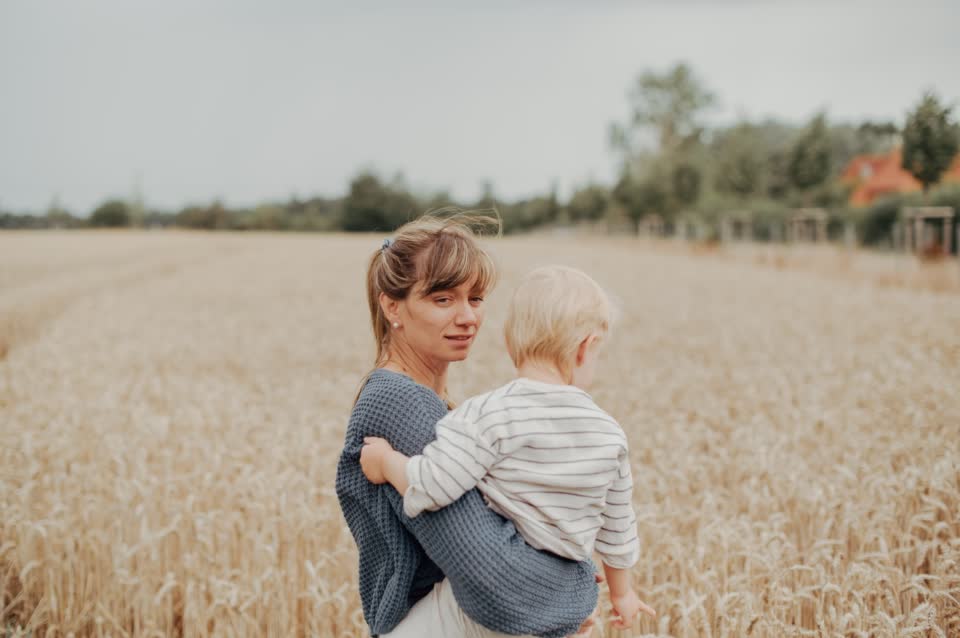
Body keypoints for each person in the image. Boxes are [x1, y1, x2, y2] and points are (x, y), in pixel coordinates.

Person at [335, 214, 600, 638]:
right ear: (392, 306)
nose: (467, 318)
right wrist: (573, 585)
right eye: (443, 300)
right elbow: (490, 573)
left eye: (475, 298)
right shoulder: (399, 403)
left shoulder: (429, 400)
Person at [360, 265, 656, 633]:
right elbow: (618, 528)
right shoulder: (611, 435)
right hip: (554, 607)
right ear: (586, 347)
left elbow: (435, 484)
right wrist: (623, 594)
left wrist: (386, 462)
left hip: (484, 607)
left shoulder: (488, 414)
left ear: (509, 341)